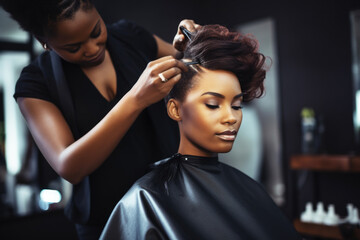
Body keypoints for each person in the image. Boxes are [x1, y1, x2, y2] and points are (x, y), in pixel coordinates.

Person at [0, 0, 200, 239]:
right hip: (107, 221)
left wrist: (184, 48)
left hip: (173, 200)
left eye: (97, 31)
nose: (92, 48)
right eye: (73, 47)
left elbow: (183, 69)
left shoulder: (130, 35)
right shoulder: (36, 83)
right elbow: (69, 166)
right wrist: (135, 99)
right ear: (44, 42)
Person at [100, 24, 301, 240]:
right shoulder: (146, 199)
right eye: (213, 104)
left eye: (236, 105)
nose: (231, 117)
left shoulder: (250, 189)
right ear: (175, 110)